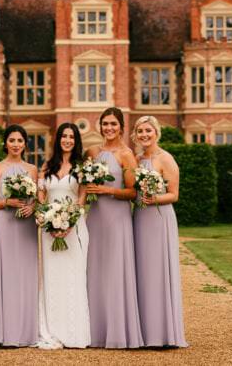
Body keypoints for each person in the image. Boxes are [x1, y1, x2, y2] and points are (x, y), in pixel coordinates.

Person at [83, 107, 143, 349]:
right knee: (94, 269)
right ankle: (93, 332)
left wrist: (107, 190)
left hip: (117, 218)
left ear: (121, 127)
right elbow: (84, 186)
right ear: (100, 126)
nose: (108, 128)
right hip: (95, 217)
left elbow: (132, 192)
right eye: (105, 124)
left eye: (113, 124)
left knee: (116, 271)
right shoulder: (92, 152)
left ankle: (118, 331)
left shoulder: (127, 155)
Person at [132, 115, 188, 347]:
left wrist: (154, 198)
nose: (144, 135)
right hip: (139, 218)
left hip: (158, 217)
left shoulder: (166, 158)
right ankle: (144, 331)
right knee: (142, 272)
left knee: (158, 271)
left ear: (156, 133)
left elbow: (173, 195)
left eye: (148, 131)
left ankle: (163, 333)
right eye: (140, 131)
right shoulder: (135, 159)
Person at [35, 122, 91, 349]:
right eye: (64, 136)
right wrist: (48, 220)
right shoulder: (47, 166)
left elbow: (81, 200)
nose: (67, 140)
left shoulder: (82, 167)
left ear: (76, 141)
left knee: (74, 277)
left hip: (74, 228)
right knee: (51, 277)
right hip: (49, 230)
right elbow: (41, 197)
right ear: (57, 139)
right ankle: (52, 329)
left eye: (71, 136)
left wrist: (69, 223)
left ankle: (74, 332)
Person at [0, 124, 39, 347]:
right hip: (5, 225)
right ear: (5, 143)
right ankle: (7, 334)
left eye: (19, 140)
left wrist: (32, 207)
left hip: (25, 226)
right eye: (12, 140)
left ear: (25, 143)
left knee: (26, 277)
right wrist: (8, 202)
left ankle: (27, 334)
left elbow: (37, 199)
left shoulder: (32, 169)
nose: (16, 144)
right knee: (7, 276)